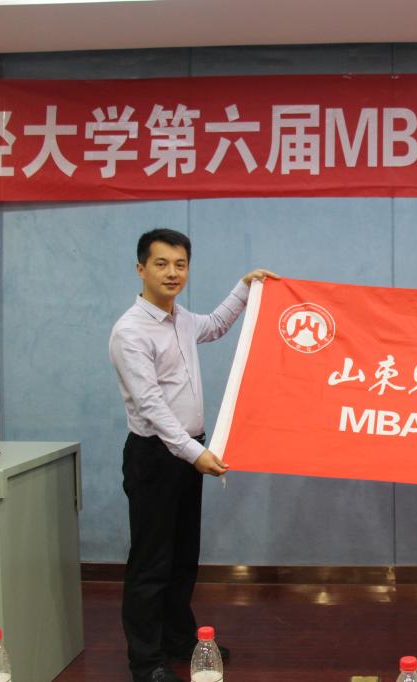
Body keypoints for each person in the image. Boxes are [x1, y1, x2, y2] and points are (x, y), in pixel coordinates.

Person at [109, 228, 278, 682]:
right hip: (155, 457)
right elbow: (151, 406)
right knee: (150, 564)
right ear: (141, 268)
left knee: (183, 558)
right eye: (161, 264)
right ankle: (146, 661)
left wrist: (245, 287)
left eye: (180, 265)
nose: (172, 273)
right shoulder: (130, 331)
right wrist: (194, 453)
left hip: (187, 455)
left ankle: (179, 640)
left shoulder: (181, 319)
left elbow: (217, 324)